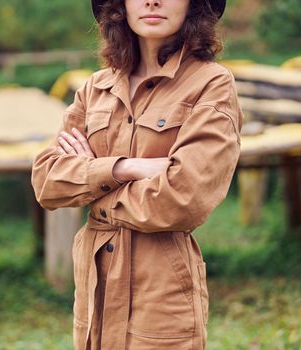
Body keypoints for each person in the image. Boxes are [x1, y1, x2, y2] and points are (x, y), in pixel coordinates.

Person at [31, 0, 243, 349]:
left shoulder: (211, 85)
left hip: (160, 293)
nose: (152, 1)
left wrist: (92, 183)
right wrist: (126, 167)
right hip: (94, 291)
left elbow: (182, 198)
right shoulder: (95, 89)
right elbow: (47, 181)